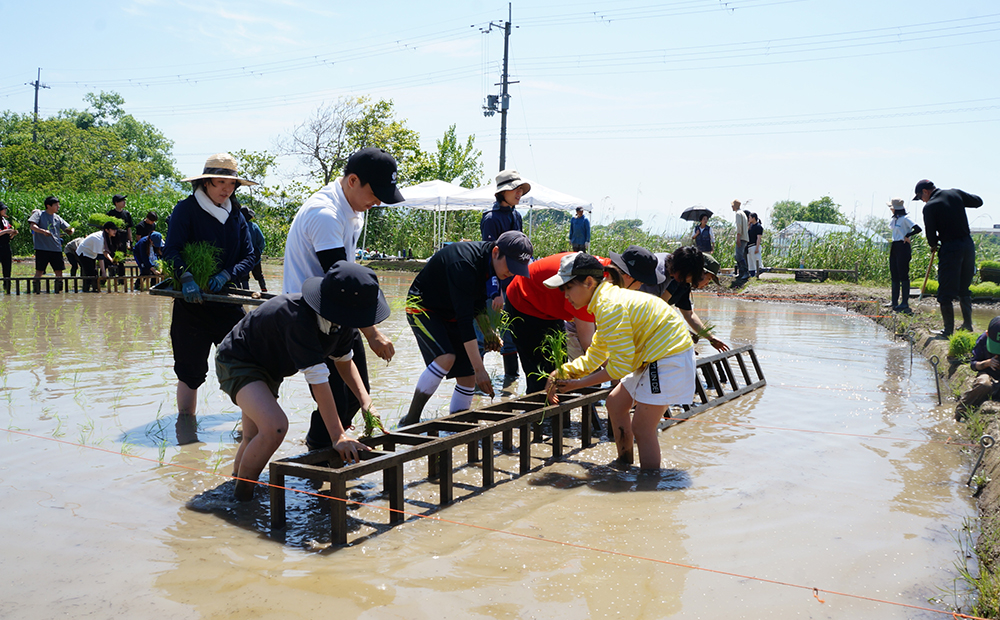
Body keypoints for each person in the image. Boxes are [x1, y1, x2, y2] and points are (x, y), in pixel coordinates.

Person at [217, 263, 387, 501]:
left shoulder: (341, 323)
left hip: (268, 366)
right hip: (238, 359)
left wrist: (366, 402)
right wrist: (338, 436)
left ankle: (236, 486)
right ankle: (242, 498)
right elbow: (319, 381)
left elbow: (344, 362)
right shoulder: (298, 319)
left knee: (252, 435)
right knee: (274, 427)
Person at [283, 147, 402, 449]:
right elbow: (337, 279)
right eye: (375, 193)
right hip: (309, 314)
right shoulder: (325, 214)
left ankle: (323, 444)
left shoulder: (354, 211)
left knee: (354, 397)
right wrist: (373, 333)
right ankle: (321, 452)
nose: (376, 203)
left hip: (339, 309)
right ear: (352, 181)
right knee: (334, 398)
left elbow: (345, 280)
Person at [543, 253, 695, 470]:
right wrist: (563, 372)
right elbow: (597, 354)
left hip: (668, 357)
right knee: (615, 403)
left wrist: (578, 384)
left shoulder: (609, 306)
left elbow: (620, 367)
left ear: (588, 282)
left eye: (568, 288)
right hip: (653, 357)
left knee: (642, 428)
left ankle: (649, 488)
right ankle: (624, 463)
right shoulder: (605, 302)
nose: (565, 296)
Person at [400, 230, 534, 427]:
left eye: (518, 268)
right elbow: (464, 321)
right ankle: (410, 420)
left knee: (468, 377)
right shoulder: (464, 263)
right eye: (511, 266)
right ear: (496, 252)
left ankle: (459, 425)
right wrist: (481, 369)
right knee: (446, 358)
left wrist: (488, 331)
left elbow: (477, 304)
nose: (512, 272)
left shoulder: (489, 264)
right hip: (423, 307)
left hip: (451, 311)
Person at [162, 153, 256, 421]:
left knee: (245, 362)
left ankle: (248, 426)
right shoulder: (186, 209)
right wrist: (188, 277)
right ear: (205, 183)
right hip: (191, 305)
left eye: (232, 184)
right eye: (220, 183)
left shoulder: (235, 214)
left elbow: (250, 255)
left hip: (227, 302)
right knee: (190, 372)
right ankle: (186, 429)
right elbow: (171, 251)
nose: (227, 189)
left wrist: (228, 273)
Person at [505, 251, 604, 395]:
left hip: (549, 307)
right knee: (541, 378)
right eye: (563, 290)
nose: (565, 296)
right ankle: (541, 414)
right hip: (523, 301)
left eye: (567, 289)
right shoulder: (587, 285)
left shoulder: (595, 283)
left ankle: (560, 411)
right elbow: (589, 345)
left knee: (560, 371)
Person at [607, 245, 729, 352]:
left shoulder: (679, 276)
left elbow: (687, 314)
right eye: (707, 278)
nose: (707, 283)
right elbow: (649, 315)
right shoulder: (657, 275)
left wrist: (709, 337)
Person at [914, 179, 983, 336]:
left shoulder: (929, 207)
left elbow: (931, 235)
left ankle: (947, 330)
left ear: (925, 191)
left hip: (951, 249)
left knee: (945, 293)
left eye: (920, 197)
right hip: (967, 246)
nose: (922, 200)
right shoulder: (955, 193)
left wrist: (933, 245)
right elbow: (978, 201)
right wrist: (957, 201)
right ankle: (967, 324)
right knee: (963, 289)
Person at [480, 169, 529, 386]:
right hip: (496, 285)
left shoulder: (516, 215)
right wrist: (496, 290)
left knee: (511, 336)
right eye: (515, 189)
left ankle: (512, 382)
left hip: (513, 285)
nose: (519, 193)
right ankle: (474, 384)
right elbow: (490, 257)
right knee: (483, 336)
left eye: (521, 189)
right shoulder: (491, 219)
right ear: (502, 192)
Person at [955, 317, 1000, 421]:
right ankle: (960, 411)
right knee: (984, 385)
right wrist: (987, 363)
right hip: (988, 374)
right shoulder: (983, 339)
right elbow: (974, 364)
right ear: (988, 334)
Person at [28, 196, 74, 293]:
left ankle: (58, 292)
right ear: (48, 206)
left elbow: (68, 227)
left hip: (56, 248)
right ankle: (36, 292)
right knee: (39, 271)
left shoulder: (57, 218)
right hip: (42, 248)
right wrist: (43, 231)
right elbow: (33, 226)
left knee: (59, 272)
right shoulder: (39, 214)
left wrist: (71, 230)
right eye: (56, 205)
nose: (58, 207)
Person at [887, 198, 922, 314]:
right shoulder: (896, 219)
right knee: (894, 273)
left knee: (903, 274)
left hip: (903, 246)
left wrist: (908, 235)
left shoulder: (906, 219)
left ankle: (905, 302)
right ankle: (894, 301)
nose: (891, 209)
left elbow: (918, 229)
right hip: (895, 245)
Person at [77, 221, 118, 292]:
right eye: (113, 229)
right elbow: (100, 257)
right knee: (91, 274)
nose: (115, 231)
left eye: (115, 229)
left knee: (94, 273)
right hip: (84, 253)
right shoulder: (99, 239)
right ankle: (87, 291)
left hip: (91, 254)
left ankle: (93, 290)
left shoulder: (106, 237)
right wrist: (104, 272)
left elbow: (105, 252)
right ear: (106, 230)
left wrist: (112, 260)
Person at [235, 206, 267, 292]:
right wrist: (258, 252)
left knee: (244, 278)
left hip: (242, 256)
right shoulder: (254, 226)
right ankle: (264, 291)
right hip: (255, 256)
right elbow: (262, 242)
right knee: (259, 275)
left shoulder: (237, 227)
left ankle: (246, 294)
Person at [106, 194, 134, 283]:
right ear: (116, 203)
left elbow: (129, 228)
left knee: (121, 260)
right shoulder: (111, 214)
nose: (124, 202)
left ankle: (121, 279)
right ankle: (108, 278)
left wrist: (130, 240)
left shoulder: (126, 214)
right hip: (112, 240)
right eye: (122, 201)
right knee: (110, 259)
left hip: (122, 240)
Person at [0, 202, 18, 294]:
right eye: (3, 209)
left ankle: (7, 288)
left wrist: (13, 234)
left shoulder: (5, 221)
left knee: (7, 269)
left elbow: (9, 237)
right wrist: (7, 231)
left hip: (6, 246)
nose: (5, 210)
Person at [731, 199, 749, 287]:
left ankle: (745, 272)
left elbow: (739, 226)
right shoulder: (743, 213)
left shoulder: (738, 214)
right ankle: (741, 273)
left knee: (739, 256)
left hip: (741, 237)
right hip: (745, 237)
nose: (731, 207)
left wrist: (738, 237)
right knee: (738, 255)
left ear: (735, 206)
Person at [746, 212, 764, 277]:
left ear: (753, 218)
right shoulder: (751, 226)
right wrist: (748, 226)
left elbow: (758, 238)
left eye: (750, 218)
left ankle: (759, 273)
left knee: (757, 261)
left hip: (754, 245)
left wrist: (757, 247)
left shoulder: (758, 226)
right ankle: (752, 274)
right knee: (751, 263)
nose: (749, 219)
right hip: (749, 246)